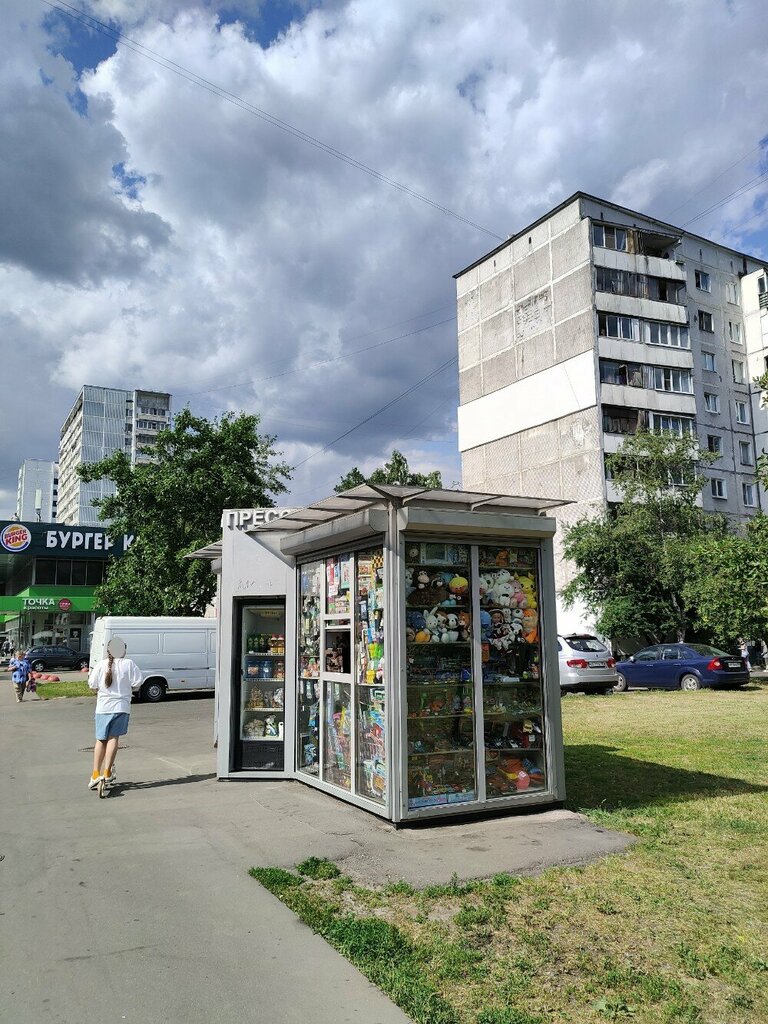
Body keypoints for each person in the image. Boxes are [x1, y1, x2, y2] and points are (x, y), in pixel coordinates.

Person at [87, 637, 142, 791]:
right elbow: (138, 682)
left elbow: (92, 684)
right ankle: (107, 771)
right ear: (123, 650)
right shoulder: (129, 664)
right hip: (121, 706)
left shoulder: (101, 664)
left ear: (109, 650)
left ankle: (95, 774)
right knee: (113, 738)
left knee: (100, 739)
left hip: (103, 707)